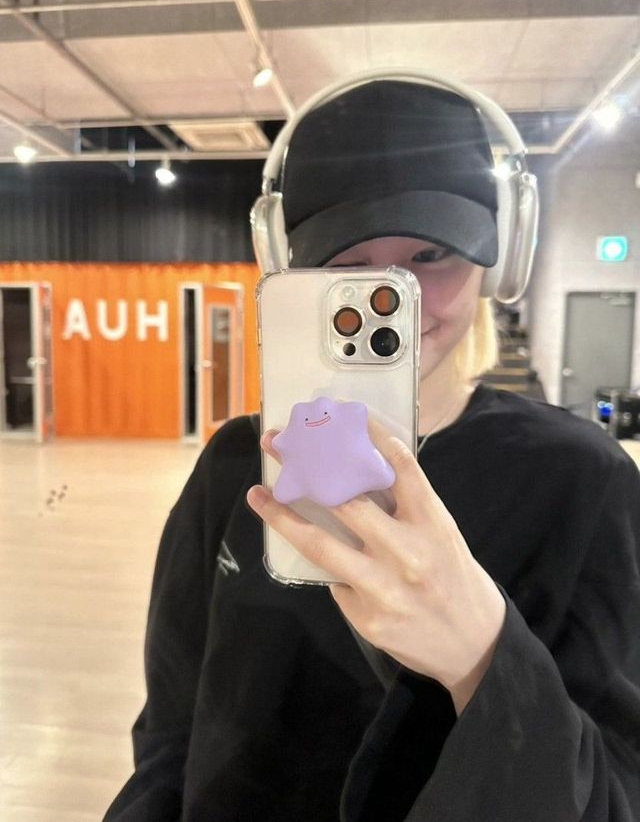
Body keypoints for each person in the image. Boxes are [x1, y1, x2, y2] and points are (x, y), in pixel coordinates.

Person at [104, 77, 640, 821]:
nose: (394, 295)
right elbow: (170, 733)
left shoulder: (583, 480)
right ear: (288, 266)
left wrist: (482, 658)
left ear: (503, 257)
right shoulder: (235, 463)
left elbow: (616, 794)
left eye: (432, 252)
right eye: (346, 260)